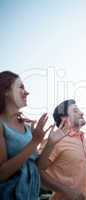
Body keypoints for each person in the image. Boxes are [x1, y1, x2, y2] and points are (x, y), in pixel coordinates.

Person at [0, 71, 52, 199]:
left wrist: (51, 143)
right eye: (21, 87)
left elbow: (38, 167)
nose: (27, 92)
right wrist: (34, 142)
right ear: (6, 91)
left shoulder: (28, 128)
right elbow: (1, 174)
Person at [38, 99, 86, 200]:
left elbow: (76, 170)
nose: (82, 113)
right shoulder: (53, 141)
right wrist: (66, 190)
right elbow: (36, 172)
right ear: (64, 118)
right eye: (75, 111)